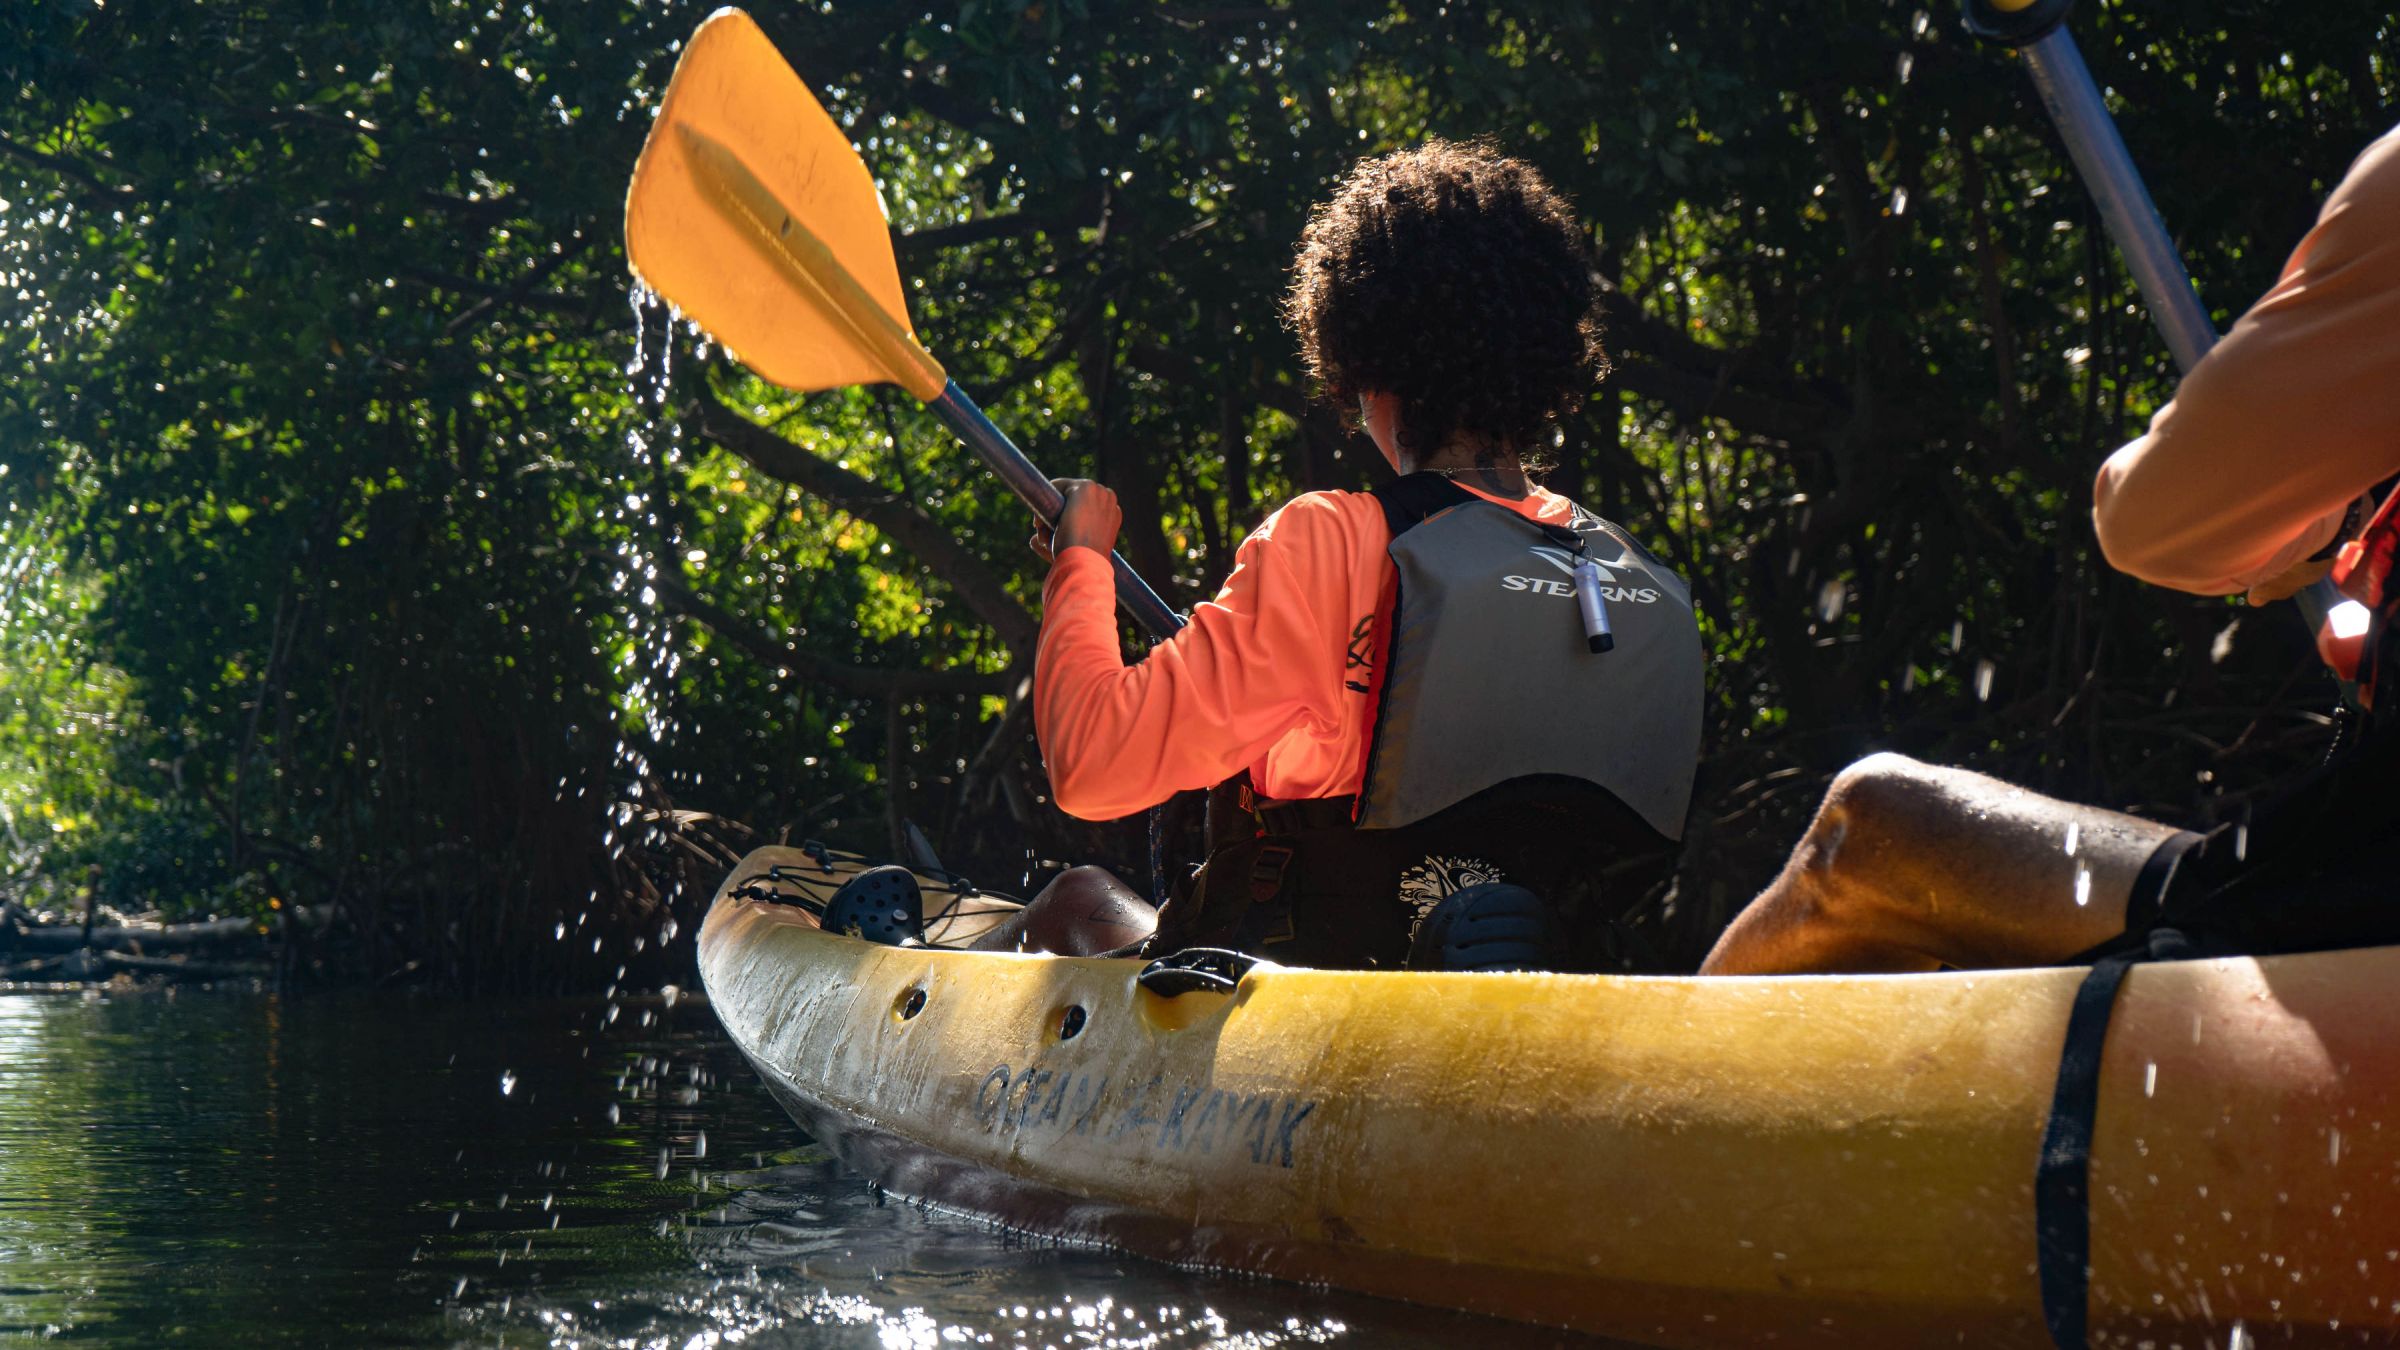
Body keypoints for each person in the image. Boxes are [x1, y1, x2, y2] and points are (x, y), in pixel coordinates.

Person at [970, 139, 1706, 970]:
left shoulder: (1335, 540)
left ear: (1362, 355)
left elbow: (1094, 762)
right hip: (1565, 991)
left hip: (1327, 1005)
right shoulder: (1640, 577)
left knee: (1075, 900)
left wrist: (1081, 564)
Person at [1701, 124, 2400, 977]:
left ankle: (1625, 1106)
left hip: (2367, 882)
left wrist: (2314, 516)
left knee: (1867, 830)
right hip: (2354, 858)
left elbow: (2155, 518)